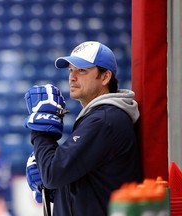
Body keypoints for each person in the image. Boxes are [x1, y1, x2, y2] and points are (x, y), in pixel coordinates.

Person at [24, 41, 143, 216]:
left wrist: (41, 131)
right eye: (70, 70)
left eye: (82, 70)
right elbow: (86, 182)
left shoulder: (104, 120)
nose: (72, 77)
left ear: (105, 77)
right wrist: (58, 190)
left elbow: (52, 174)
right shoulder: (102, 116)